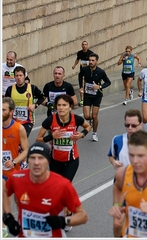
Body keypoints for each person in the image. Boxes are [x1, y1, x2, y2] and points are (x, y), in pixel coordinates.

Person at [3, 142, 88, 237]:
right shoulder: (16, 178)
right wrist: (8, 216)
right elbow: (5, 191)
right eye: (32, 158)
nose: (36, 162)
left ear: (48, 161)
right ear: (27, 161)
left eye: (41, 158)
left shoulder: (63, 185)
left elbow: (83, 216)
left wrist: (63, 221)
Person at [36, 94, 91, 182]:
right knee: (56, 186)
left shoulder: (76, 119)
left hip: (72, 160)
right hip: (55, 160)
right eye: (59, 105)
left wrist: (82, 134)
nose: (61, 108)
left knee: (65, 185)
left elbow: (88, 127)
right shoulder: (50, 120)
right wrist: (51, 136)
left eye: (64, 105)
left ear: (70, 107)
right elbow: (38, 140)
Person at [2, 97, 29, 237]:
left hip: (17, 169)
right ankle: (3, 227)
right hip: (2, 171)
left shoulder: (19, 128)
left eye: (3, 110)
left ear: (11, 112)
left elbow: (25, 150)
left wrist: (13, 161)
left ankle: (23, 223)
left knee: (19, 200)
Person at [78, 53, 111, 142]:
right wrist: (81, 86)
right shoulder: (84, 69)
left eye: (93, 60)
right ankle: (92, 121)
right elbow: (80, 76)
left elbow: (108, 82)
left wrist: (99, 87)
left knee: (94, 115)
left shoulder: (100, 72)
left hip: (97, 95)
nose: (91, 62)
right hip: (87, 95)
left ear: (96, 61)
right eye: (90, 60)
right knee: (87, 115)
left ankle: (94, 133)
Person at [5, 66, 45, 137]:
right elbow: (5, 104)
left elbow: (42, 97)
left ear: (24, 76)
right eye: (17, 76)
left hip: (27, 120)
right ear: (14, 77)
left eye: (20, 75)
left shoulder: (32, 88)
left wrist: (35, 105)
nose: (19, 78)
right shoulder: (10, 89)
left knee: (23, 136)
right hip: (14, 120)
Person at [72, 41, 94, 106]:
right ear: (81, 46)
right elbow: (78, 59)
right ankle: (82, 100)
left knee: (88, 85)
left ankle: (89, 98)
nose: (84, 46)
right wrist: (74, 65)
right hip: (82, 71)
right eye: (83, 44)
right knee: (81, 85)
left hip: (89, 71)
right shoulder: (79, 53)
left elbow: (93, 61)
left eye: (85, 44)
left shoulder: (90, 53)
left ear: (87, 45)